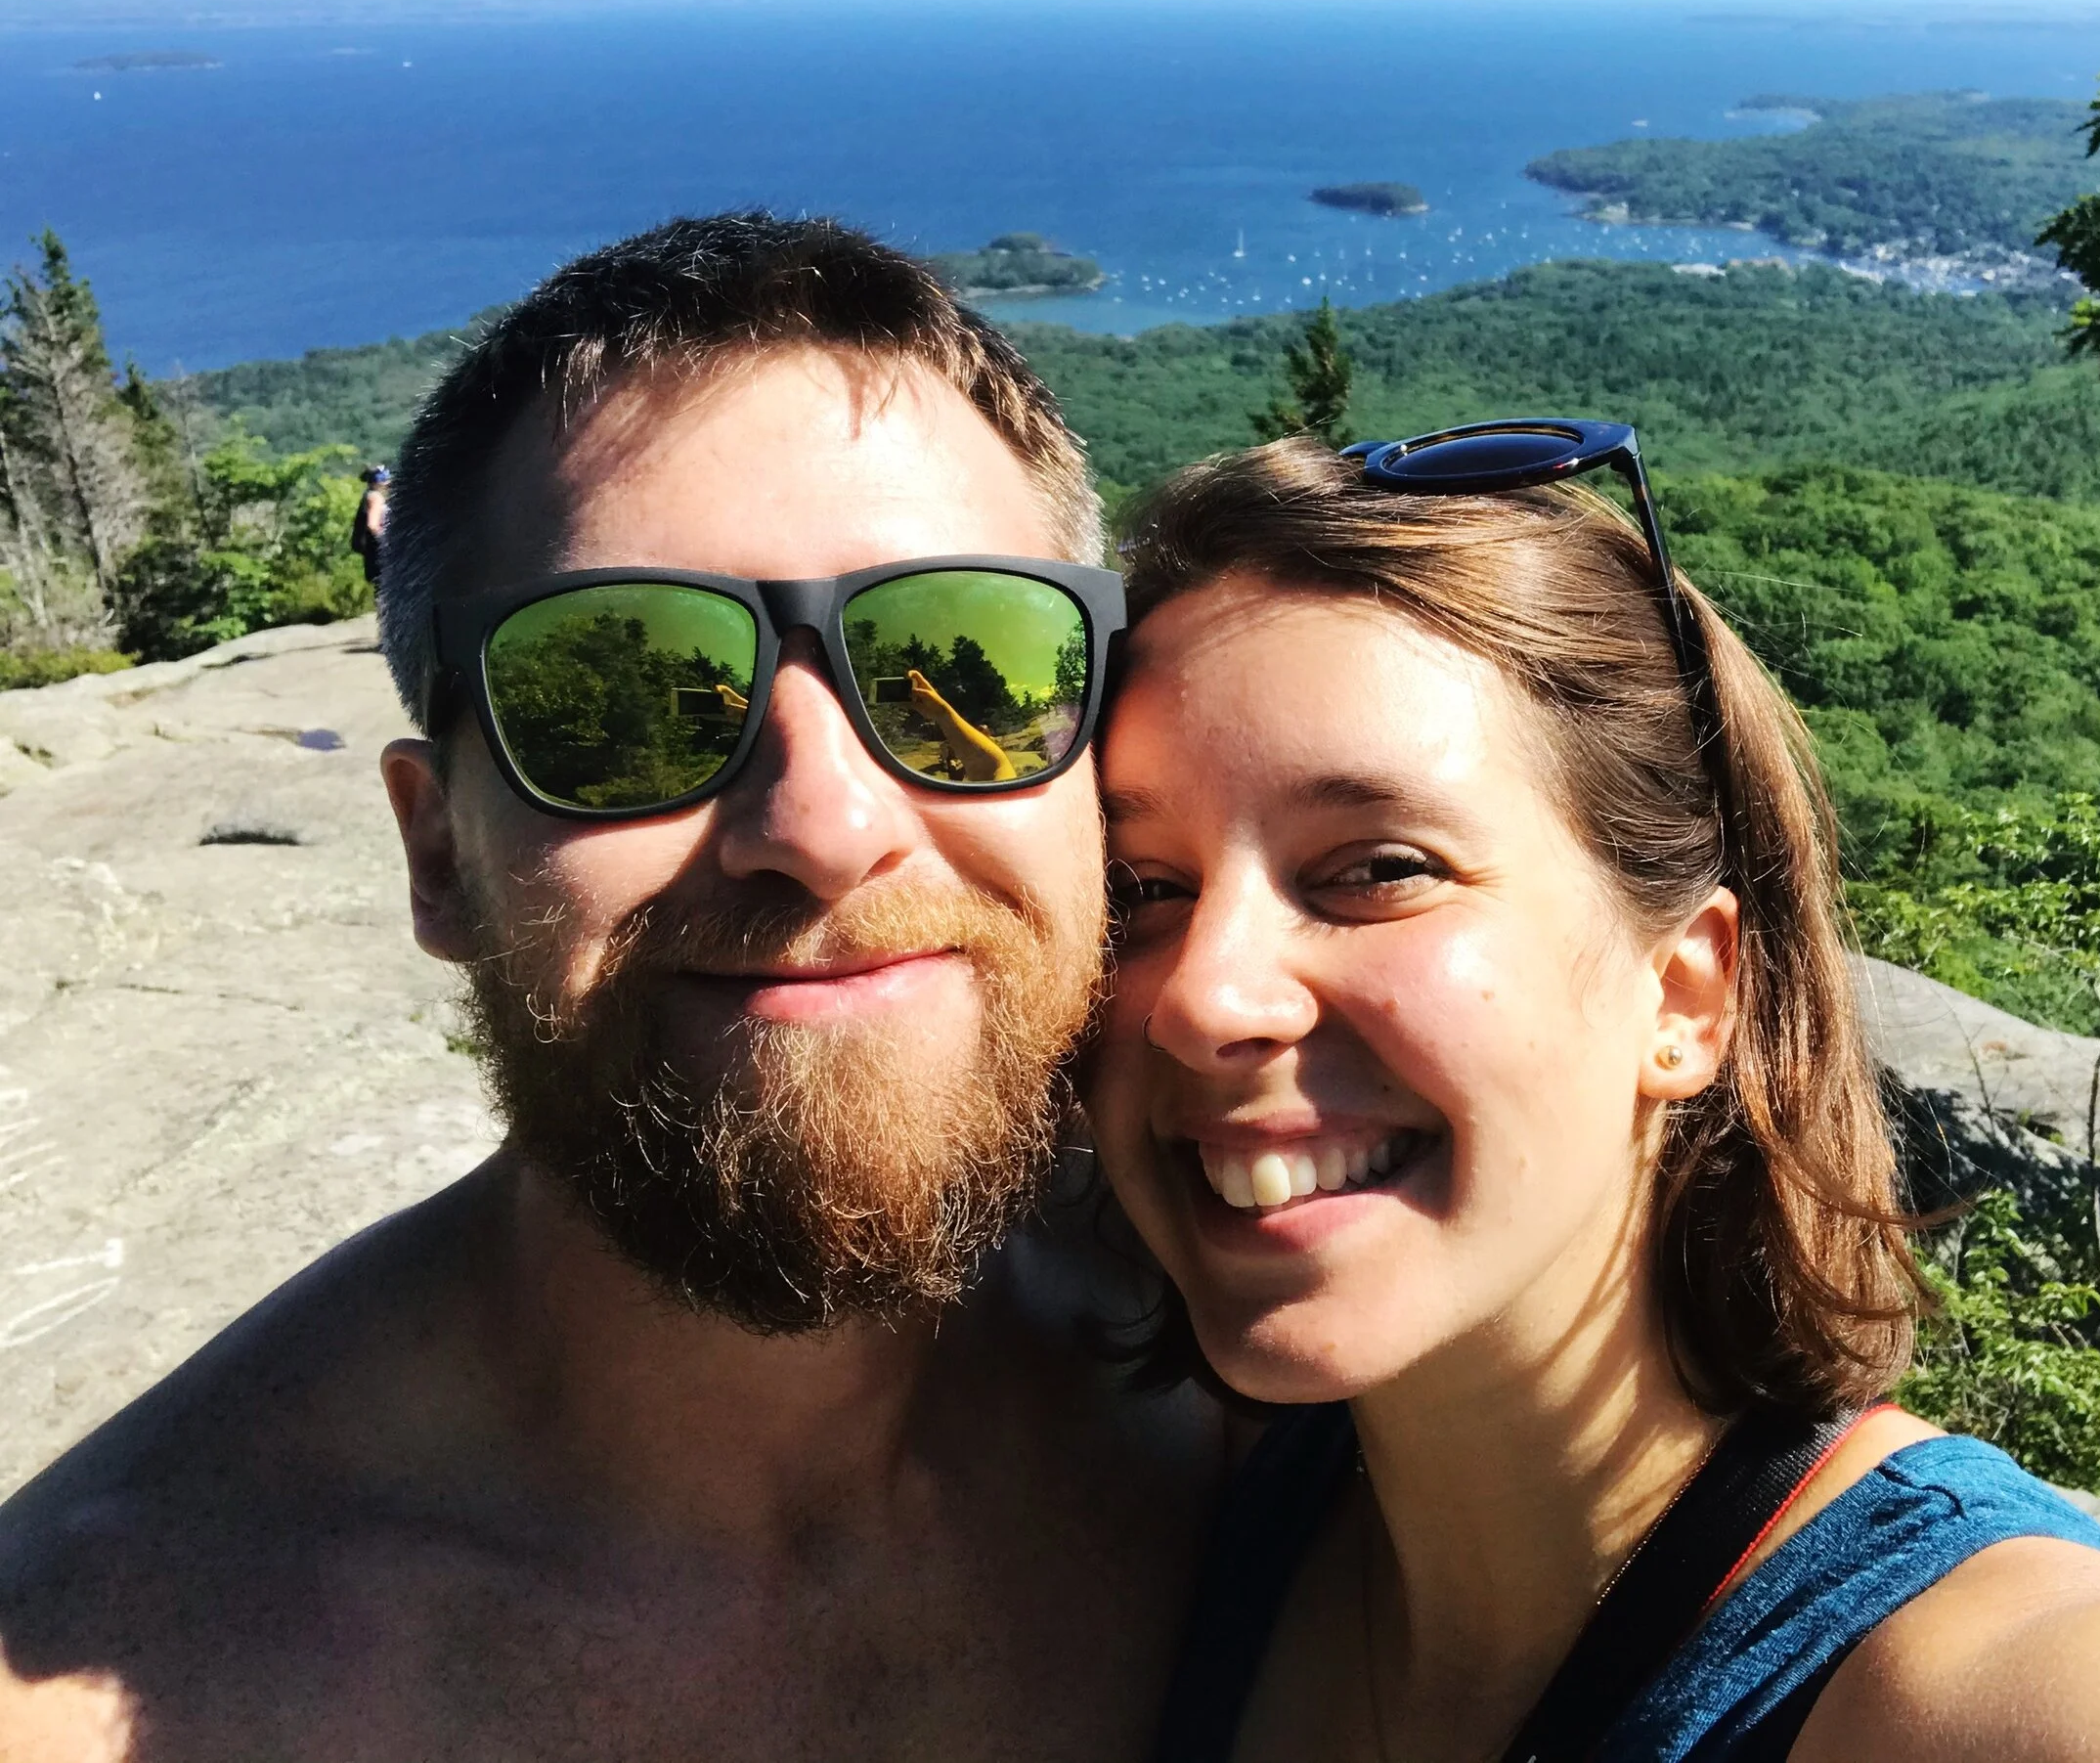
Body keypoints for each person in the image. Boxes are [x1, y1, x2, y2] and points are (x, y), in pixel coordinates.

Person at [0, 214, 1220, 1761]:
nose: (825, 826)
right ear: (438, 856)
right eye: (626, 692)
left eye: (962, 660)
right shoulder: (101, 1694)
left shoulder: (1252, 1367)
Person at [1088, 433, 2100, 1763]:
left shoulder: (1985, 1688)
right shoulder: (1170, 1533)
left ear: (1685, 998)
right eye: (1141, 888)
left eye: (1380, 868)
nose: (1204, 995)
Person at [351, 463, 390, 586]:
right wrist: (387, 542)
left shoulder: (368, 495)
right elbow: (372, 525)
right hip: (377, 552)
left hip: (371, 552)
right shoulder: (375, 497)